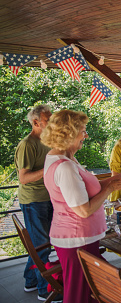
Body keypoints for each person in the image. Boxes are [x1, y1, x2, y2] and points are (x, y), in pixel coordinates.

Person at [41, 110, 121, 303]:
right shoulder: (65, 167)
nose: (86, 135)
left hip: (79, 238)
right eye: (83, 131)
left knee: (90, 290)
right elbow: (84, 210)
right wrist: (110, 189)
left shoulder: (63, 159)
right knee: (79, 295)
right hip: (77, 240)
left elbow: (88, 188)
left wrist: (119, 177)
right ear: (68, 134)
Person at [14, 105, 56, 301]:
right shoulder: (27, 144)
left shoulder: (47, 142)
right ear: (36, 122)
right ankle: (44, 289)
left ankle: (30, 280)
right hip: (33, 201)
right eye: (49, 120)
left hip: (47, 197)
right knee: (42, 245)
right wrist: (48, 168)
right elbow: (23, 178)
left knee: (40, 244)